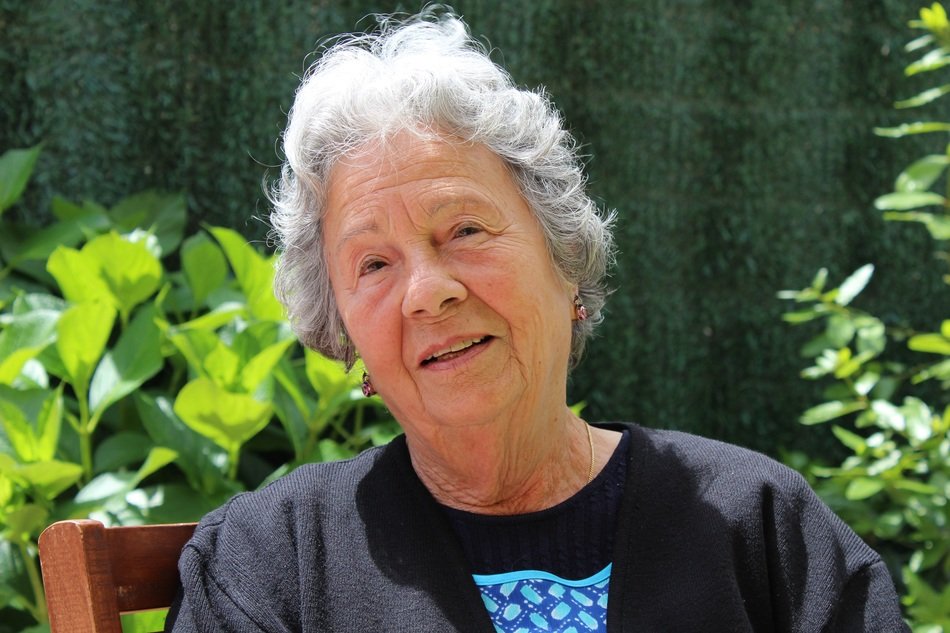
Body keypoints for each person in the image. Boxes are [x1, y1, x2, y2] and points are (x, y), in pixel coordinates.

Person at [165, 8, 908, 632]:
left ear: (566, 260)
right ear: (343, 332)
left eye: (464, 230)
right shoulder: (271, 561)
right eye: (373, 264)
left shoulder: (761, 528)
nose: (428, 291)